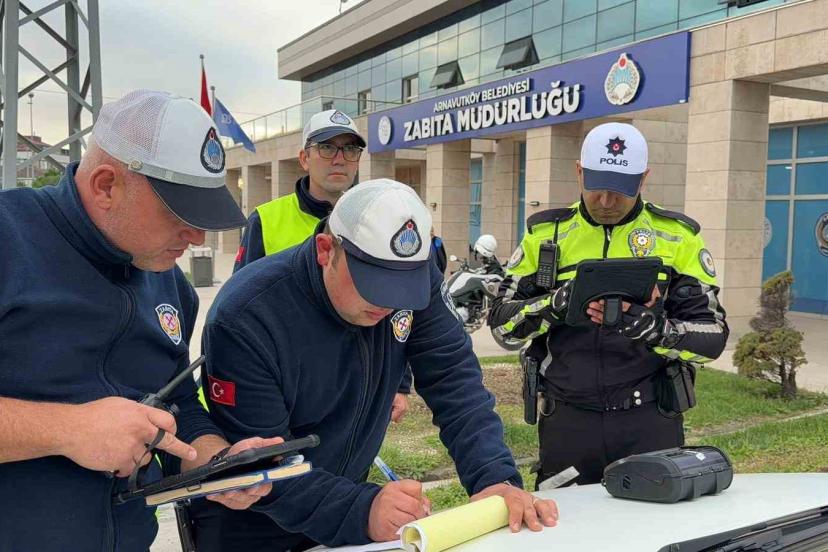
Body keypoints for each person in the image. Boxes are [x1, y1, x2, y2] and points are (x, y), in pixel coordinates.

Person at [192, 179, 559, 551]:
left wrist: (492, 476)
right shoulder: (247, 315)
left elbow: (454, 380)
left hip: (345, 500)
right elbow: (263, 463)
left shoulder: (413, 280)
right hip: (252, 523)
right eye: (375, 282)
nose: (389, 303)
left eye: (403, 287)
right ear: (325, 250)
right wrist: (361, 509)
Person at [0, 90, 282, 552]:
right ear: (106, 185)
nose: (196, 236)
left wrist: (216, 463)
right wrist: (67, 429)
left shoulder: (172, 287)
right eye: (179, 212)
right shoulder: (9, 241)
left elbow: (176, 407)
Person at [489, 122, 729, 487]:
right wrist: (552, 306)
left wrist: (656, 329)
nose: (605, 202)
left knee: (653, 535)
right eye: (596, 186)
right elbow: (501, 328)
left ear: (643, 179)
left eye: (619, 190)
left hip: (649, 420)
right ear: (579, 171)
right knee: (564, 533)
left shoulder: (677, 237)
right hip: (568, 422)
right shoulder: (545, 236)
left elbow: (712, 338)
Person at [233, 109, 410, 422]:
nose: (339, 159)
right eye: (327, 148)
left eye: (350, 149)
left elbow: (397, 303)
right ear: (304, 158)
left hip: (355, 385)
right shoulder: (266, 220)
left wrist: (399, 381)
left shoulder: (379, 220)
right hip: (285, 382)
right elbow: (239, 309)